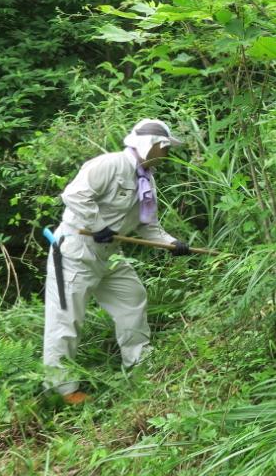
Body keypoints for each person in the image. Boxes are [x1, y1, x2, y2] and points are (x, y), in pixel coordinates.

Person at [44, 119, 190, 405]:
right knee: (65, 320)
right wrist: (97, 224)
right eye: (164, 148)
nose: (167, 153)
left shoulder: (146, 179)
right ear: (151, 145)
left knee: (132, 295)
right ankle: (61, 391)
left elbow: (148, 225)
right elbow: (74, 194)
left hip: (107, 255)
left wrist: (170, 243)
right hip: (74, 253)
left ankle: (139, 364)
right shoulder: (110, 164)